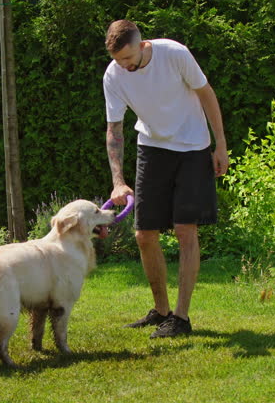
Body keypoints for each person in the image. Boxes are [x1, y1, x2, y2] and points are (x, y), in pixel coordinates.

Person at [102, 19, 228, 338]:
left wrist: (220, 146)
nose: (125, 66)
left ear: (143, 45)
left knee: (186, 229)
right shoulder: (113, 75)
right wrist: (118, 180)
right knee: (144, 233)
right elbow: (114, 130)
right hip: (152, 146)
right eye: (119, 61)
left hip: (193, 147)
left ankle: (181, 318)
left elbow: (206, 94)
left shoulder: (174, 54)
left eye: (129, 59)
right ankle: (161, 311)